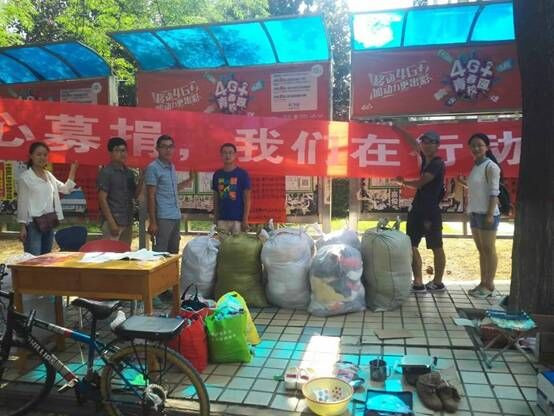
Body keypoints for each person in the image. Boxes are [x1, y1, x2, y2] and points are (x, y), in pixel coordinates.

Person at [392, 126, 446, 293]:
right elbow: (413, 144)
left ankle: (438, 282)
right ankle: (418, 282)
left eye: (431, 142)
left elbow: (422, 182)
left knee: (436, 246)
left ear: (437, 145)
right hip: (417, 209)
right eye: (424, 142)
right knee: (411, 244)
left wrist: (402, 182)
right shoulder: (424, 158)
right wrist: (397, 128)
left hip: (430, 211)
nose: (426, 145)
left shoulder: (437, 163)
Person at [457, 133, 501, 298]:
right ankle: (483, 282)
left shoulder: (491, 167)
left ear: (486, 147)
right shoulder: (476, 166)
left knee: (489, 249)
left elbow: (494, 192)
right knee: (482, 250)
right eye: (473, 146)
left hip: (487, 214)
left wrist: (490, 214)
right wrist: (463, 183)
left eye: (479, 145)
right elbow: (478, 187)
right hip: (475, 213)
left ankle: (489, 285)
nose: (476, 148)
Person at [17, 142, 78, 255]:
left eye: (45, 155)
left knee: (46, 258)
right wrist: (22, 227)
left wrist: (73, 169)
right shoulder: (25, 178)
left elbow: (65, 189)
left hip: (49, 222)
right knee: (33, 259)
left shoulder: (48, 175)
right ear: (31, 156)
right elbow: (22, 203)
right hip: (33, 224)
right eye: (38, 154)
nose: (42, 157)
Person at [145, 134, 192, 253]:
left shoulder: (171, 166)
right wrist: (152, 222)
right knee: (160, 253)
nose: (168, 150)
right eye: (164, 147)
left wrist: (189, 180)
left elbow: (171, 189)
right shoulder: (153, 168)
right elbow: (150, 196)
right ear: (157, 149)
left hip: (175, 215)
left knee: (173, 252)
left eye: (170, 147)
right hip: (162, 217)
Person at [97, 137, 144, 246]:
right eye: (117, 150)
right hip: (113, 222)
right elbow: (102, 199)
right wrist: (111, 223)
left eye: (123, 150)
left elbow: (135, 195)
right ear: (110, 153)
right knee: (111, 254)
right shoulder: (106, 172)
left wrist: (142, 178)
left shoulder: (129, 173)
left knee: (125, 253)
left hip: (127, 221)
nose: (122, 154)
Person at [212, 143, 251, 234]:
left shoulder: (242, 174)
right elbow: (216, 198)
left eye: (230, 153)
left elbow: (247, 198)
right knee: (222, 243)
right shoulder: (217, 174)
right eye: (225, 153)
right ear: (221, 155)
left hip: (238, 220)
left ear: (235, 155)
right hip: (222, 219)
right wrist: (215, 217)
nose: (227, 155)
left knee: (238, 243)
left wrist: (245, 219)